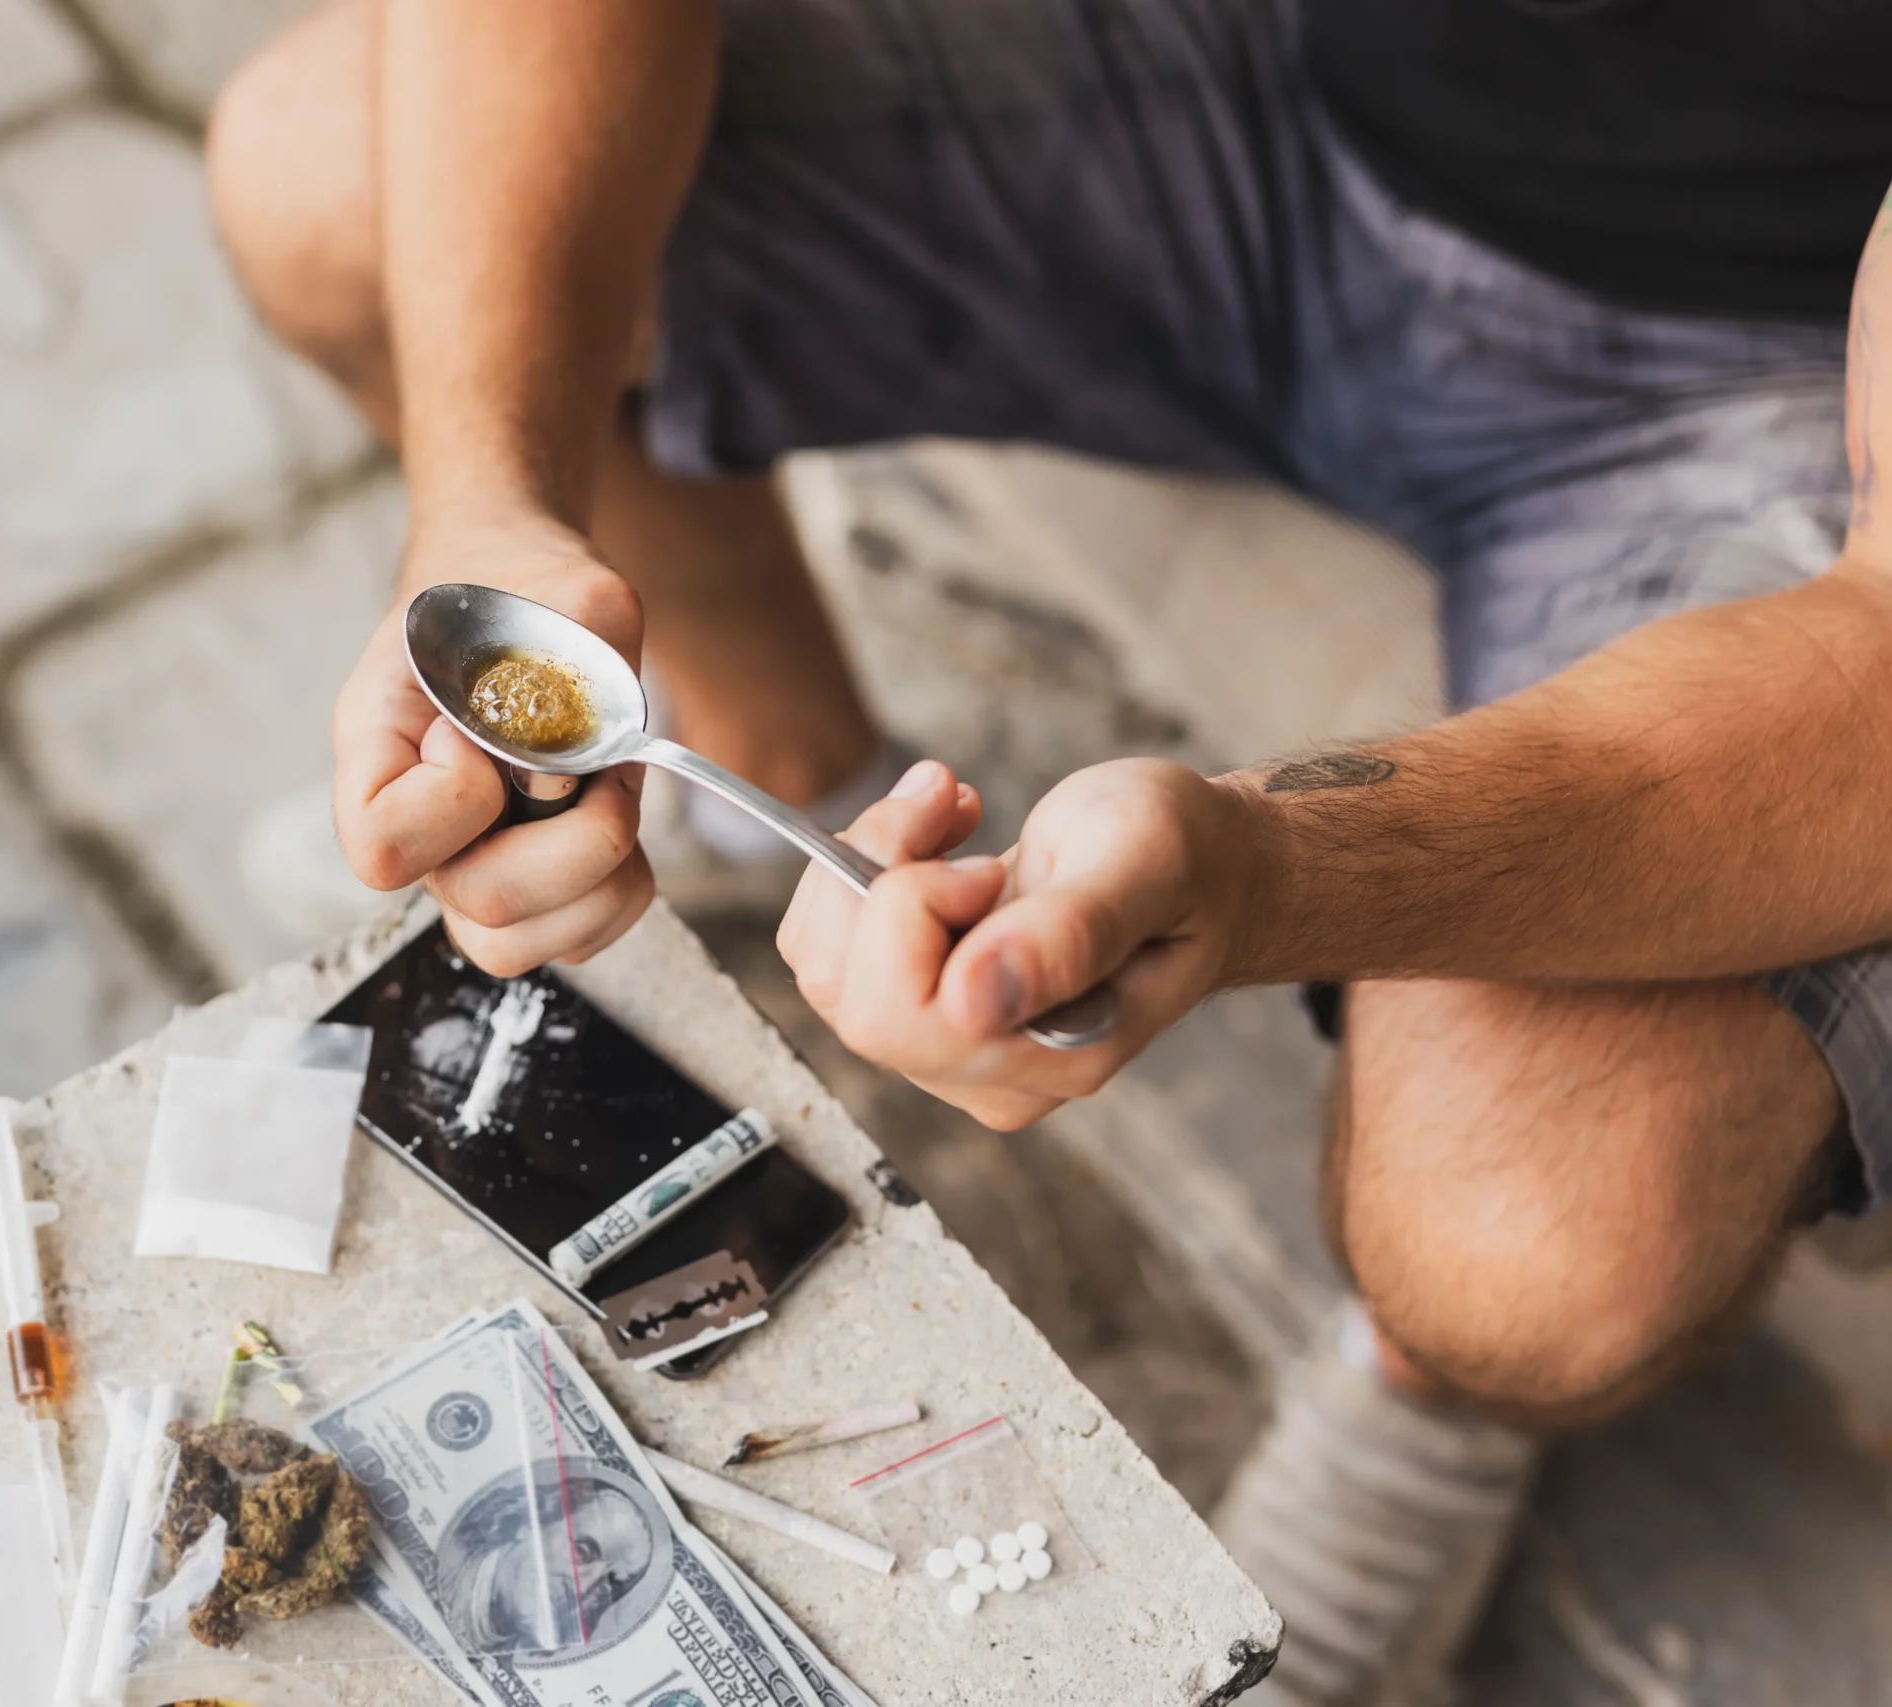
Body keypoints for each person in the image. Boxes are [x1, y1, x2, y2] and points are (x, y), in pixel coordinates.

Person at [207, 1, 1892, 1700]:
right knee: (331, 174)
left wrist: (1266, 866)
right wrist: (488, 508)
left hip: (1785, 349)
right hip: (1291, 80)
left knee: (1523, 1248)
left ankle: (1424, 1393)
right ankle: (788, 784)